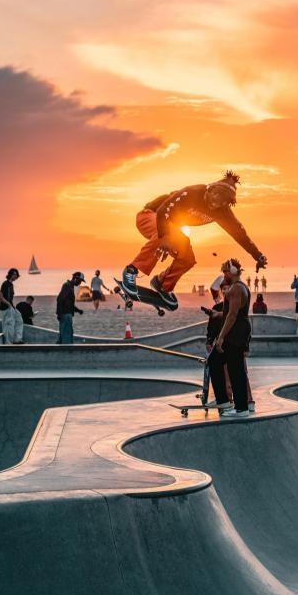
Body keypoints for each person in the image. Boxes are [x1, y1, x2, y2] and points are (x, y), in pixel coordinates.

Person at [121, 170, 267, 307]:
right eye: (216, 197)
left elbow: (239, 234)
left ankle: (162, 284)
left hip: (171, 229)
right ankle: (131, 271)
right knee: (169, 232)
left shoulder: (223, 213)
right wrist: (165, 236)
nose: (217, 203)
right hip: (149, 216)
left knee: (188, 258)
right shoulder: (192, 193)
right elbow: (162, 210)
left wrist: (257, 255)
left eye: (223, 202)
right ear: (210, 189)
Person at [204, 278, 255, 413]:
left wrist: (220, 338)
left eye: (227, 288)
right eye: (223, 289)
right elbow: (227, 314)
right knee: (215, 361)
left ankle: (243, 406)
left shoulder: (237, 289)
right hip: (231, 336)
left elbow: (232, 316)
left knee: (236, 371)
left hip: (235, 336)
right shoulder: (229, 296)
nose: (225, 291)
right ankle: (224, 401)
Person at [56, 272, 85, 344]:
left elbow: (69, 303)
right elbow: (60, 299)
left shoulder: (70, 287)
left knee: (65, 335)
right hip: (65, 314)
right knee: (66, 336)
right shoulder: (67, 286)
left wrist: (78, 310)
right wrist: (59, 314)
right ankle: (67, 352)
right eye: (80, 281)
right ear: (75, 278)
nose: (80, 283)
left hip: (67, 314)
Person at [0, 268, 24, 344]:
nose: (15, 276)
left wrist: (13, 306)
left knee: (19, 320)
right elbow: (0, 297)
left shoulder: (11, 284)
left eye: (16, 274)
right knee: (9, 325)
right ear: (10, 275)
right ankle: (8, 343)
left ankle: (17, 339)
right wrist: (9, 304)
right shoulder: (5, 284)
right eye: (14, 274)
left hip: (11, 307)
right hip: (6, 308)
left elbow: (10, 297)